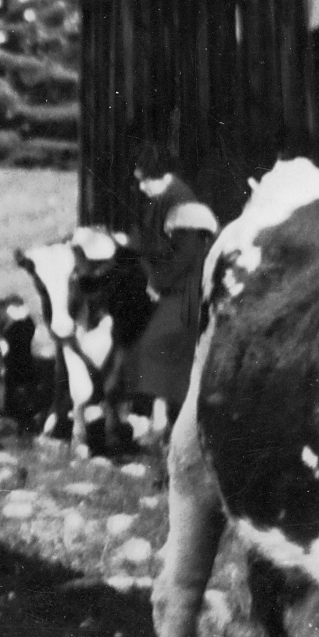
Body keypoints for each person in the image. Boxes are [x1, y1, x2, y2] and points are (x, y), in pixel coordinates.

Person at [128, 144, 219, 430]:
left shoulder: (183, 203)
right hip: (170, 285)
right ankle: (159, 414)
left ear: (160, 176)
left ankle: (169, 416)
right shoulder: (162, 198)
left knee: (157, 344)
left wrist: (158, 283)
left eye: (145, 181)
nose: (141, 187)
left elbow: (186, 257)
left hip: (187, 289)